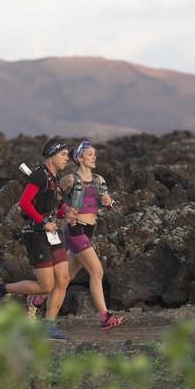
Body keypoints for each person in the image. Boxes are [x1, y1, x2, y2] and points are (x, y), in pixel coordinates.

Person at [0, 138, 72, 340]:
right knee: (46, 286)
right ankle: (0, 288)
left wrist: (67, 213)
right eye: (63, 154)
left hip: (52, 233)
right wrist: (42, 222)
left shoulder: (55, 177)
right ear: (52, 155)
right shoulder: (40, 175)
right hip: (36, 233)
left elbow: (55, 205)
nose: (67, 158)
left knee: (64, 278)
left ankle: (49, 325)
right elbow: (25, 203)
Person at [54, 140, 128, 330]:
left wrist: (110, 202)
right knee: (97, 271)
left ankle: (36, 299)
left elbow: (108, 205)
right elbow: (53, 197)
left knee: (67, 277)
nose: (94, 157)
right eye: (89, 154)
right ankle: (105, 317)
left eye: (94, 154)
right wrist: (65, 212)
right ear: (79, 158)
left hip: (89, 231)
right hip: (75, 229)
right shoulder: (70, 179)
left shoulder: (99, 180)